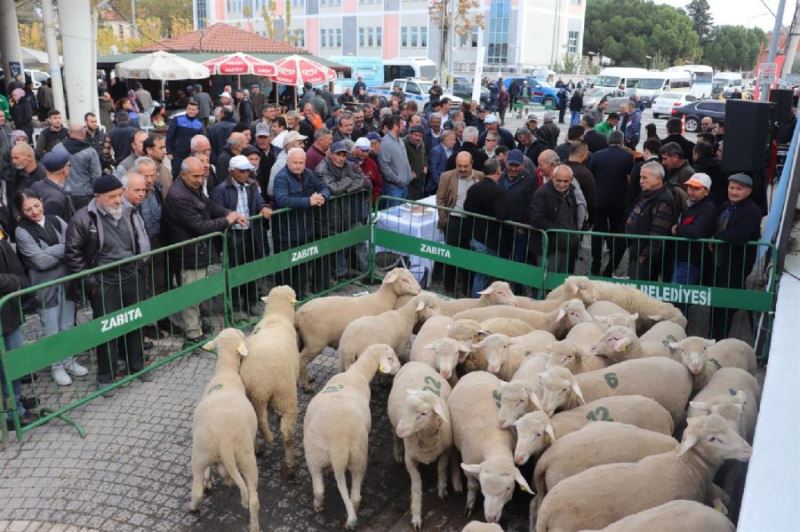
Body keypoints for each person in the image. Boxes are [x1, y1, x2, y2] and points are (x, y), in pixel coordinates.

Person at [64, 175, 151, 390]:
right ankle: (107, 376)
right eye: (112, 196)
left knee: (135, 322)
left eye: (120, 195)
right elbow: (73, 255)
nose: (117, 200)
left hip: (130, 275)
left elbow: (138, 240)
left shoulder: (128, 211)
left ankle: (137, 366)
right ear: (98, 197)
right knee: (107, 329)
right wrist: (91, 282)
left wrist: (139, 265)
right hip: (104, 281)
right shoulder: (83, 219)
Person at [164, 157, 247, 347]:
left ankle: (198, 325)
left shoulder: (191, 188)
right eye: (195, 176)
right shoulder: (178, 196)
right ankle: (193, 334)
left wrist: (228, 213)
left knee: (198, 291)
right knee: (191, 294)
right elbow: (199, 226)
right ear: (183, 174)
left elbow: (209, 205)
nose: (200, 180)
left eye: (202, 176)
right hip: (189, 251)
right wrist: (228, 220)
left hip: (198, 250)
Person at [14, 188, 86, 387]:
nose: (35, 211)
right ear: (21, 212)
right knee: (51, 326)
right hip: (44, 285)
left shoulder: (55, 219)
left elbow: (72, 244)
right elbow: (39, 261)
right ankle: (57, 365)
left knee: (67, 323)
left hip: (66, 280)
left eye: (36, 205)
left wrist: (51, 251)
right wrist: (61, 250)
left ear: (42, 201)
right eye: (28, 210)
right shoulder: (22, 231)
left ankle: (69, 359)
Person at [210, 155, 272, 315]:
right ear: (232, 172)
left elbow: (258, 200)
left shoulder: (251, 185)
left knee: (250, 269)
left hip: (250, 232)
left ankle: (251, 302)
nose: (246, 174)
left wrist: (264, 206)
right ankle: (236, 306)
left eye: (247, 171)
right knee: (235, 271)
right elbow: (216, 209)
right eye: (242, 171)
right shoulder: (221, 189)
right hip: (233, 234)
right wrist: (231, 214)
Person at [272, 148, 331, 298]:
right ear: (287, 161)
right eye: (295, 162)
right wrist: (308, 201)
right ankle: (284, 297)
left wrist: (322, 197)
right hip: (287, 232)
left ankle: (300, 295)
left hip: (306, 229)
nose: (298, 166)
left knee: (303, 265)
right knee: (286, 268)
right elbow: (282, 199)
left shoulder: (309, 174)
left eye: (301, 163)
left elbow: (324, 187)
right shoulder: (281, 177)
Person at [711, 173, 762, 340]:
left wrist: (718, 238)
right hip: (721, 261)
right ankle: (714, 336)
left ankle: (722, 339)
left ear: (748, 191)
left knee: (727, 304)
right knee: (717, 302)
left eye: (739, 189)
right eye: (731, 188)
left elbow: (742, 234)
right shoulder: (725, 206)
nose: (733, 192)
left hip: (737, 263)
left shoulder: (752, 210)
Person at [315, 142, 371, 278]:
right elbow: (334, 189)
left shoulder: (348, 165)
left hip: (347, 212)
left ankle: (367, 271)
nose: (341, 158)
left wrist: (346, 187)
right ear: (330, 154)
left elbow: (364, 182)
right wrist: (349, 181)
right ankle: (341, 274)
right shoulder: (321, 168)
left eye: (344, 155)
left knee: (359, 240)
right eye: (338, 155)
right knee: (338, 245)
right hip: (331, 215)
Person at [436, 151, 483, 295]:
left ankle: (466, 289)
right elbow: (440, 198)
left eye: (465, 166)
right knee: (450, 256)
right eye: (459, 166)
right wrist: (444, 219)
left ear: (472, 164)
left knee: (468, 257)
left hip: (470, 222)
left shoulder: (479, 177)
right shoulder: (447, 176)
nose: (462, 169)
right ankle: (449, 289)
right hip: (454, 220)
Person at [589, 130, 633, 276]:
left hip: (600, 199)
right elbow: (629, 179)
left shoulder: (597, 155)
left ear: (608, 141)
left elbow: (592, 175)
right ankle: (611, 267)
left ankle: (595, 265)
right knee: (616, 233)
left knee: (598, 233)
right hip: (619, 202)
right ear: (621, 141)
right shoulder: (628, 156)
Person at [624, 161, 677, 281]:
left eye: (644, 178)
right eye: (640, 177)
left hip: (646, 257)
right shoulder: (647, 194)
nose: (641, 181)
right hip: (637, 249)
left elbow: (657, 233)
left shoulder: (663, 201)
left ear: (658, 179)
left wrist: (644, 256)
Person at [463, 158, 507, 296]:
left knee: (480, 271)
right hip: (489, 238)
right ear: (498, 172)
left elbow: (466, 208)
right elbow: (502, 215)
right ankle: (477, 301)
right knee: (483, 274)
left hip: (475, 235)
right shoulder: (498, 191)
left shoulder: (474, 188)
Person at [530, 164, 580, 273]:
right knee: (548, 279)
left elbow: (573, 213)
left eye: (566, 181)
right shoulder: (541, 193)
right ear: (552, 178)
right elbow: (536, 219)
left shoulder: (570, 191)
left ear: (571, 180)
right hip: (550, 246)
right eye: (559, 180)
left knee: (561, 279)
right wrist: (556, 230)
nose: (562, 184)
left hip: (566, 243)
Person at [671, 172, 717, 288]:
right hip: (683, 256)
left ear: (706, 191)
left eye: (696, 188)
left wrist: (677, 229)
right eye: (690, 187)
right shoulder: (690, 205)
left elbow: (697, 231)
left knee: (679, 294)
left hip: (691, 259)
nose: (691, 191)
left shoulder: (707, 208)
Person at [62, 122, 103, 210]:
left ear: (69, 132)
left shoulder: (58, 148)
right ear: (83, 133)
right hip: (85, 194)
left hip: (63, 192)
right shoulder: (91, 152)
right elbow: (96, 175)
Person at [378, 115, 413, 204]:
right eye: (402, 125)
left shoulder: (400, 141)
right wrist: (397, 180)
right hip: (393, 188)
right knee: (393, 215)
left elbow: (405, 160)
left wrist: (409, 176)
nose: (404, 127)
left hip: (404, 185)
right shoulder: (385, 143)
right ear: (395, 126)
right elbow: (384, 166)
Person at [32, 150, 75, 221]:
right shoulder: (54, 200)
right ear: (64, 170)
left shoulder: (36, 185)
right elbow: (53, 227)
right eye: (69, 165)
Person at [564, 140, 597, 228]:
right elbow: (590, 199)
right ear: (584, 155)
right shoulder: (586, 174)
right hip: (577, 218)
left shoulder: (559, 169)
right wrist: (591, 220)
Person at [692, 141, 725, 208]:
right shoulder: (720, 166)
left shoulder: (697, 169)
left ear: (697, 154)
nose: (717, 153)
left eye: (720, 151)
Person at [353, 137, 382, 203]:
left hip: (367, 203)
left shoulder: (371, 163)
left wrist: (372, 198)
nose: (365, 153)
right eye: (363, 151)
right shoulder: (348, 162)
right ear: (356, 148)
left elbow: (378, 183)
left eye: (367, 151)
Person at [404, 125, 427, 200]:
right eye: (416, 135)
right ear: (410, 134)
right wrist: (409, 171)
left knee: (418, 203)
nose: (418, 138)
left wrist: (425, 166)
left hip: (420, 179)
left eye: (420, 136)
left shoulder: (422, 143)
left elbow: (425, 155)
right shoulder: (403, 143)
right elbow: (402, 159)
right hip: (408, 181)